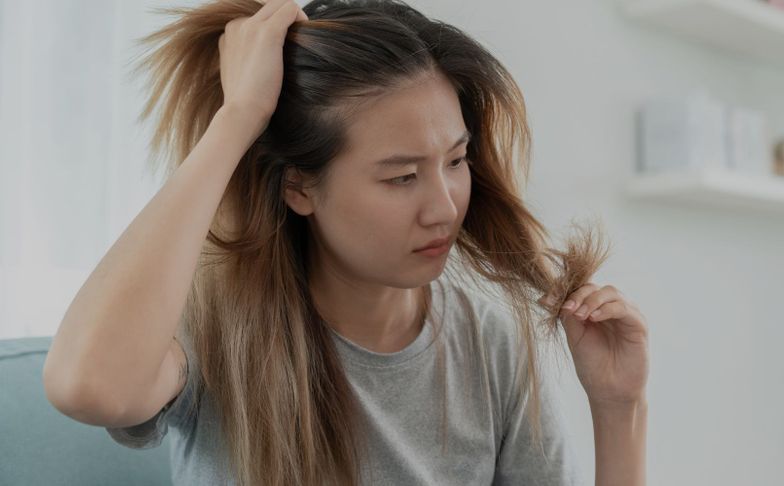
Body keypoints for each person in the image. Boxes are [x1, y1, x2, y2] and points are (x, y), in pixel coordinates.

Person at [42, 0, 649, 485]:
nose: (444, 206)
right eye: (401, 177)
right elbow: (87, 386)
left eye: (457, 159)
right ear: (299, 187)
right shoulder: (215, 331)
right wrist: (239, 117)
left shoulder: (490, 343)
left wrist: (619, 407)